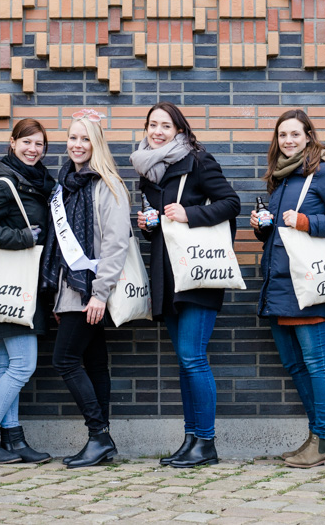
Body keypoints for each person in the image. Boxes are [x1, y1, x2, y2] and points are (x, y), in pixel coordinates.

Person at [131, 101, 241, 468]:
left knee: (193, 357)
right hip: (168, 274)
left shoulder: (198, 161)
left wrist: (190, 214)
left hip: (198, 275)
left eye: (165, 125)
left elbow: (231, 203)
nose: (158, 131)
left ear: (179, 130)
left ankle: (206, 443)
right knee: (184, 361)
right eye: (152, 125)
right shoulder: (147, 170)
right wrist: (149, 226)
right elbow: (161, 228)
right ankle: (191, 438)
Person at [251, 109, 325, 468]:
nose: (288, 140)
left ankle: (324, 441)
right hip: (279, 284)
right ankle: (316, 437)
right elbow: (282, 234)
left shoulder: (322, 172)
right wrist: (263, 227)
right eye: (282, 135)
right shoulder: (281, 177)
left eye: (295, 134)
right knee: (295, 364)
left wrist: (305, 221)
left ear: (309, 136)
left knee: (316, 363)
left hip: (306, 284)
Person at [40, 110, 131, 468]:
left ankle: (99, 435)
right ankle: (101, 442)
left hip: (91, 291)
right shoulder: (64, 185)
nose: (77, 145)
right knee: (94, 363)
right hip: (71, 289)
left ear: (97, 144)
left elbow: (116, 244)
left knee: (65, 360)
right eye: (73, 138)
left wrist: (99, 292)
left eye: (85, 139)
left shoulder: (107, 185)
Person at [0, 119, 56, 464]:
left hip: (24, 290)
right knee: (23, 365)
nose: (33, 150)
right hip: (10, 288)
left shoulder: (38, 183)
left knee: (8, 364)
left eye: (40, 144)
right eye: (27, 142)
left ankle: (12, 438)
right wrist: (23, 239)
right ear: (12, 142)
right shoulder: (5, 183)